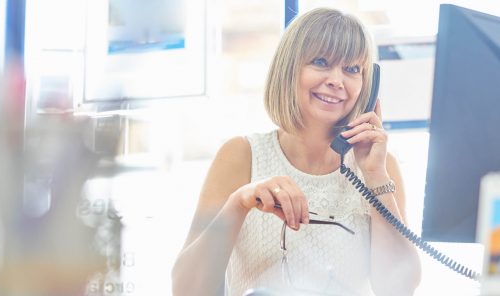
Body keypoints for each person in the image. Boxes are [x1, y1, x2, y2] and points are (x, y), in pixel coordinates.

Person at [171, 8, 421, 296]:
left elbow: (399, 288)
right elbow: (185, 290)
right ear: (289, 69)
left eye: (352, 69)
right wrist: (240, 202)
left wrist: (375, 176)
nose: (337, 81)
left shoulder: (380, 166)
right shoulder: (241, 155)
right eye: (321, 62)